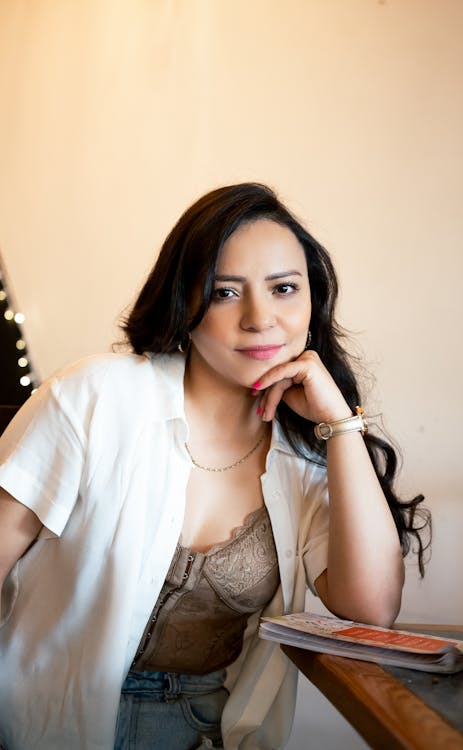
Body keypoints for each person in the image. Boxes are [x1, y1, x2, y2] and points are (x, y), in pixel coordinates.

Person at [0, 182, 430, 750]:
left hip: (199, 727)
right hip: (38, 714)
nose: (260, 318)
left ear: (312, 303)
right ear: (186, 302)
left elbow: (371, 609)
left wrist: (342, 427)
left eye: (284, 289)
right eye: (226, 293)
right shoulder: (94, 397)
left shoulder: (310, 457)